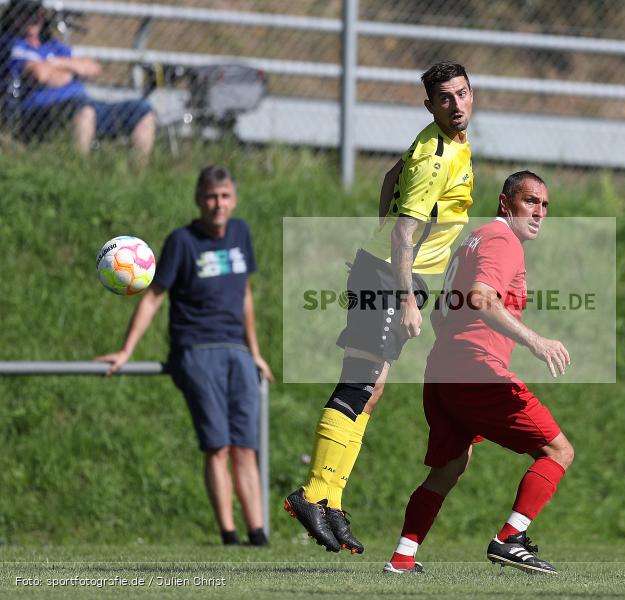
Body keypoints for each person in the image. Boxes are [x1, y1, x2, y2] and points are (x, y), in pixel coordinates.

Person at [283, 61, 475, 554]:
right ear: (430, 105)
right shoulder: (437, 156)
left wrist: (380, 233)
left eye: (462, 94)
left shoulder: (448, 141)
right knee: (359, 383)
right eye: (445, 99)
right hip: (393, 277)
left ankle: (330, 499)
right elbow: (405, 232)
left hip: (394, 272)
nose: (455, 105)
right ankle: (312, 494)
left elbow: (391, 176)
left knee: (372, 391)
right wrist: (407, 297)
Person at [383, 171, 574, 575]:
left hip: (443, 369)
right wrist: (536, 342)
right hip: (473, 369)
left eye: (545, 205)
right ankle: (510, 538)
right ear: (506, 203)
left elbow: (443, 313)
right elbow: (482, 298)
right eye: (530, 202)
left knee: (450, 465)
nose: (539, 212)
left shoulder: (474, 239)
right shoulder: (503, 240)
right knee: (558, 450)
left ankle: (402, 558)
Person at [96, 165, 273, 547]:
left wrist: (255, 352)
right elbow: (155, 296)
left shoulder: (241, 233)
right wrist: (127, 349)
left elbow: (244, 295)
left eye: (225, 196)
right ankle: (229, 534)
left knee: (246, 447)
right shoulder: (181, 241)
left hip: (238, 353)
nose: (218, 204)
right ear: (198, 199)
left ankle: (257, 535)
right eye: (211, 196)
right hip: (196, 350)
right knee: (219, 446)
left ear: (234, 199)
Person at [3, 0, 155, 161]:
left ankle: (135, 179)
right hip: (45, 112)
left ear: (41, 15)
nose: (30, 18)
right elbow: (43, 75)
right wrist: (70, 70)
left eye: (35, 13)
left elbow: (92, 67)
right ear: (14, 15)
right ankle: (79, 172)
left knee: (143, 111)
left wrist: (56, 62)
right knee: (85, 112)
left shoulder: (53, 46)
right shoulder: (13, 46)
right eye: (23, 13)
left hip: (84, 102)